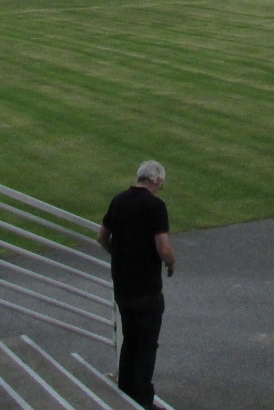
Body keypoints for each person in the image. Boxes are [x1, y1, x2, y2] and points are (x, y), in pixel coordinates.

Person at [98, 160, 176, 410]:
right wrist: (171, 263)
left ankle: (125, 392)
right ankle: (142, 400)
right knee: (146, 346)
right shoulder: (156, 206)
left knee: (130, 340)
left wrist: (119, 254)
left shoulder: (119, 200)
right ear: (157, 180)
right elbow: (163, 247)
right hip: (147, 288)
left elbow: (102, 237)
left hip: (123, 286)